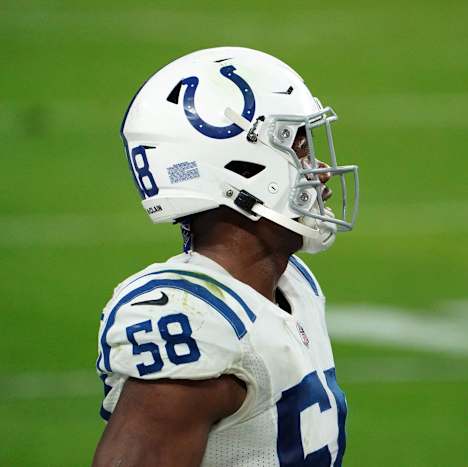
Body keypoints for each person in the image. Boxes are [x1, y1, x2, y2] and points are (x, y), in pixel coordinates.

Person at [93, 47, 359, 467]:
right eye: (299, 150)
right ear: (241, 169)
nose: (321, 172)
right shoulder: (197, 322)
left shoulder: (293, 283)